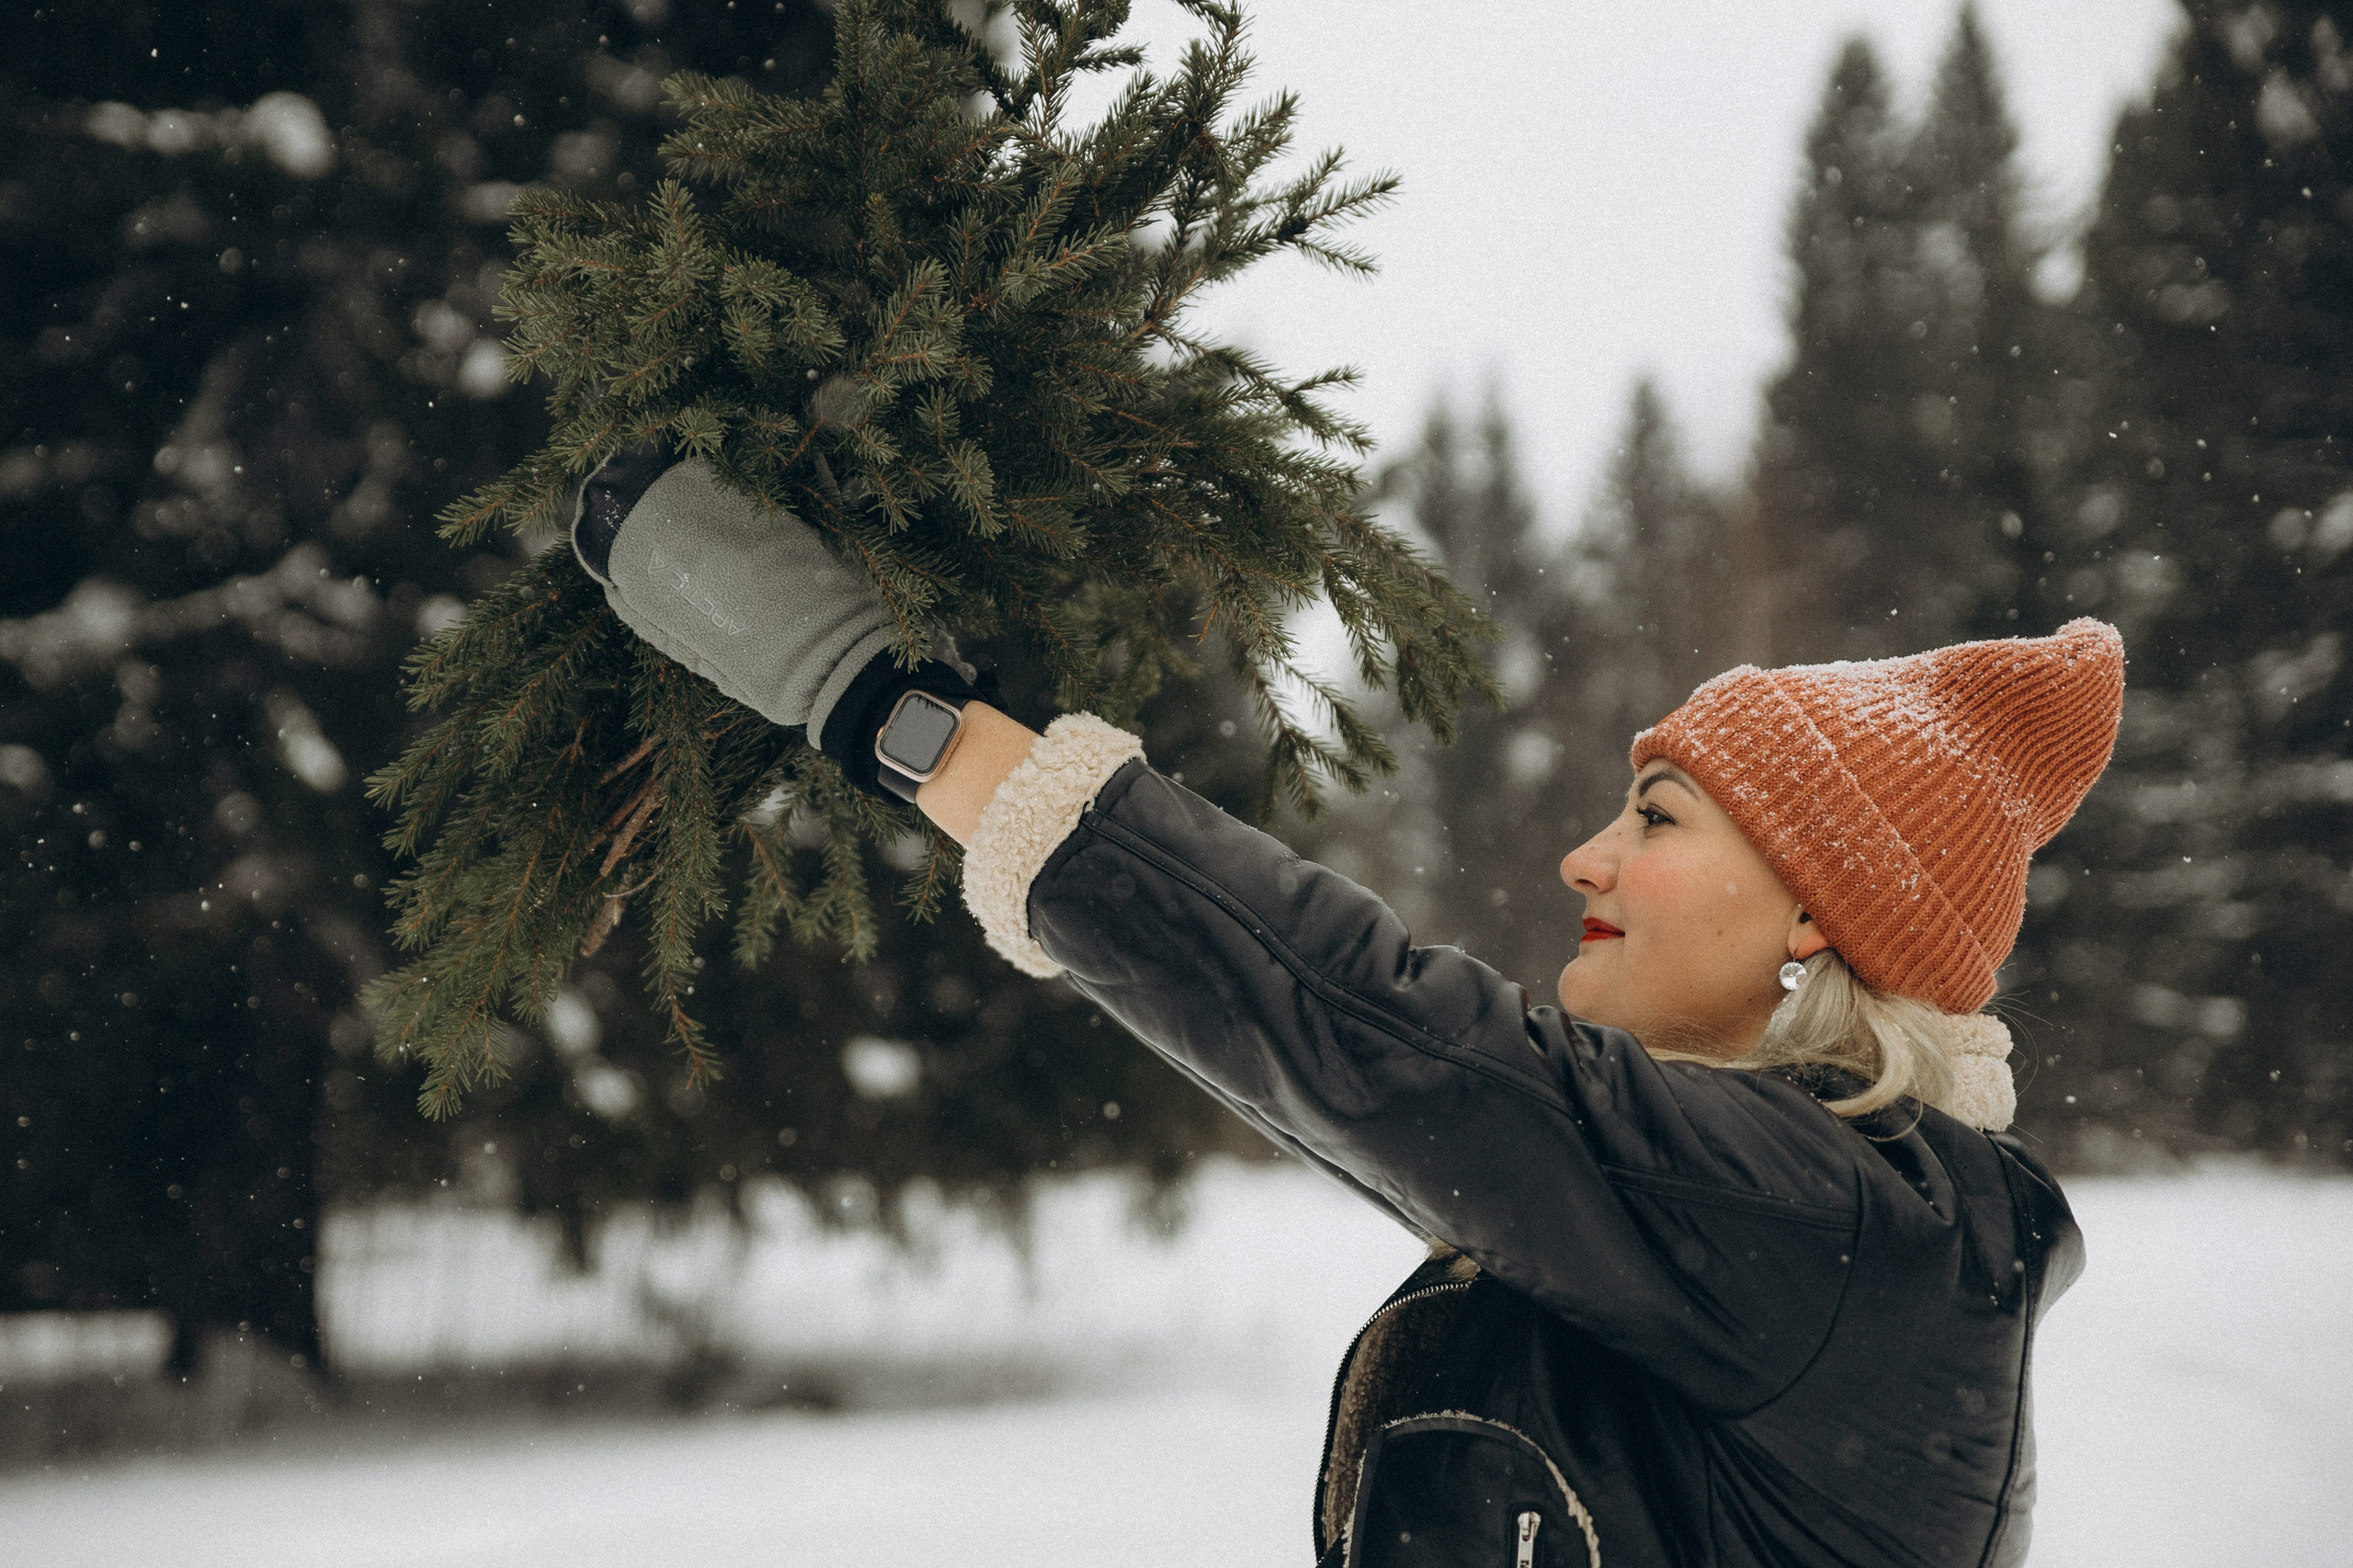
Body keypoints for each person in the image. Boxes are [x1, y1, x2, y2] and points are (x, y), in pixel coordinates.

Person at [572, 448, 2123, 1568]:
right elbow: (1338, 1078)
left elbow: (1381, 1045)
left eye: (1657, 816)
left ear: (1812, 910)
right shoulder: (1776, 1221)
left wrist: (869, 695)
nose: (1589, 849)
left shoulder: (1842, 1229)